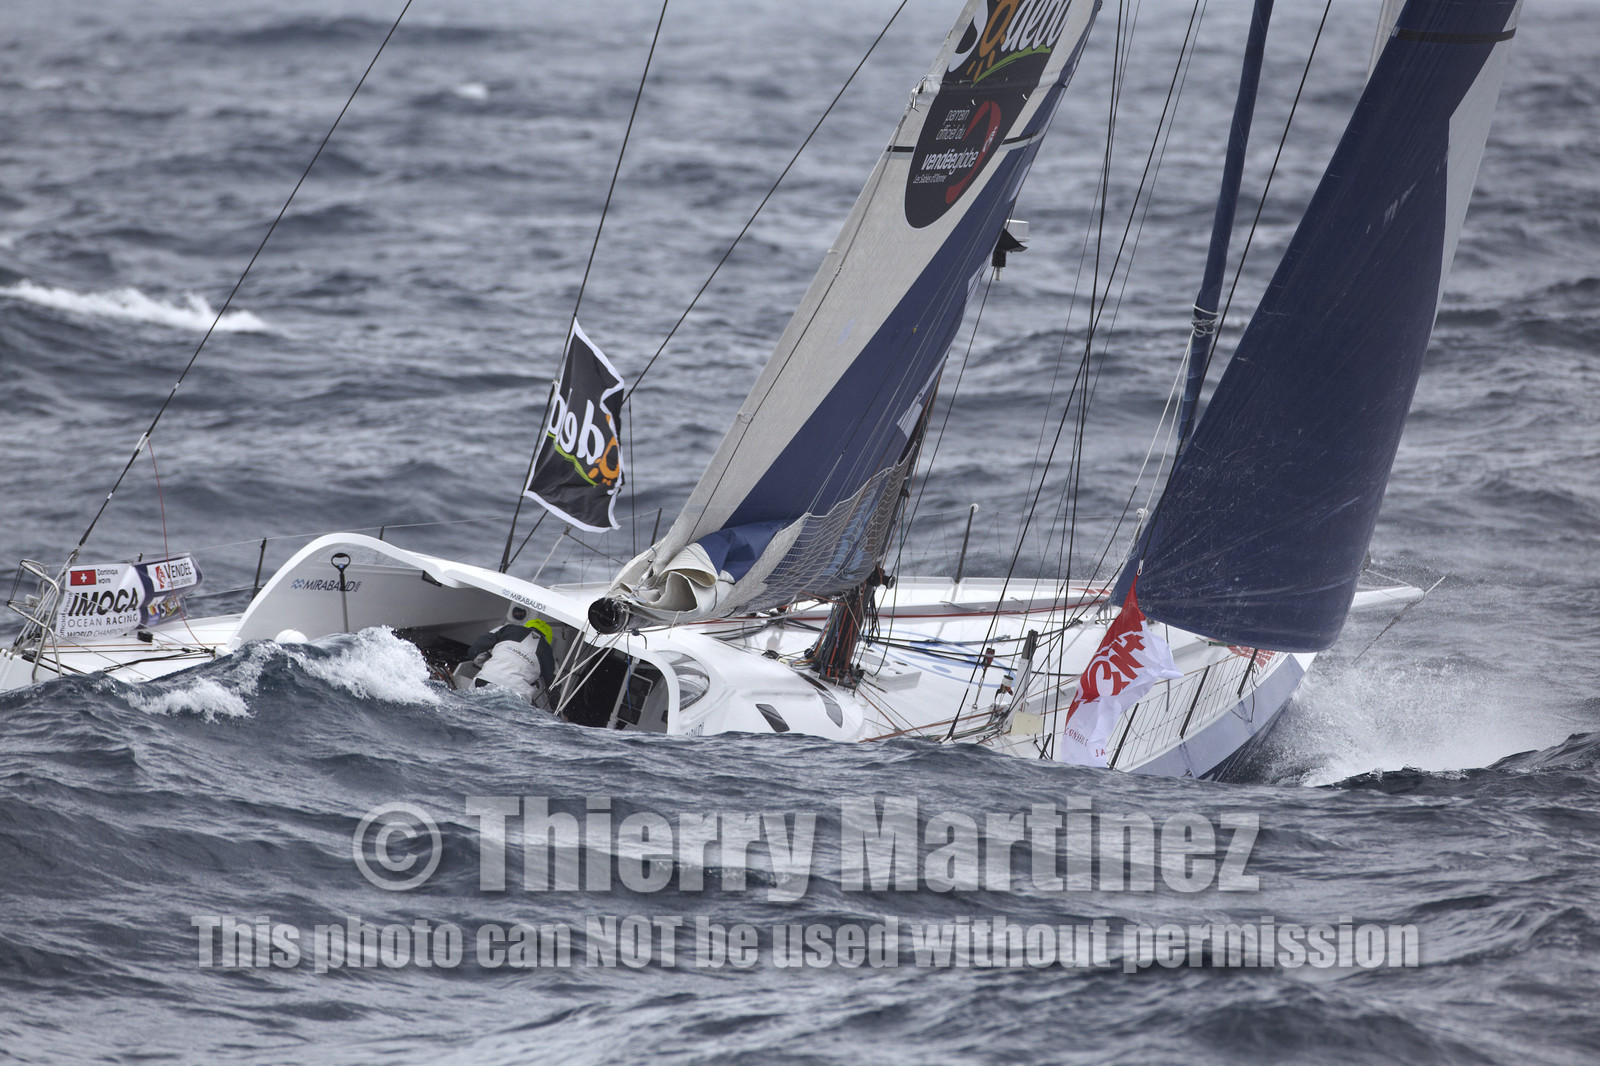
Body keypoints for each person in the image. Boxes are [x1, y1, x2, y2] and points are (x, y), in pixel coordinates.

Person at [461, 611, 557, 708]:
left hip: (485, 679)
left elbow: (474, 650)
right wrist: (558, 710)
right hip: (516, 693)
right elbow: (554, 687)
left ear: (526, 626)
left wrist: (489, 663)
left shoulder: (507, 628)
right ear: (547, 639)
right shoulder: (548, 652)